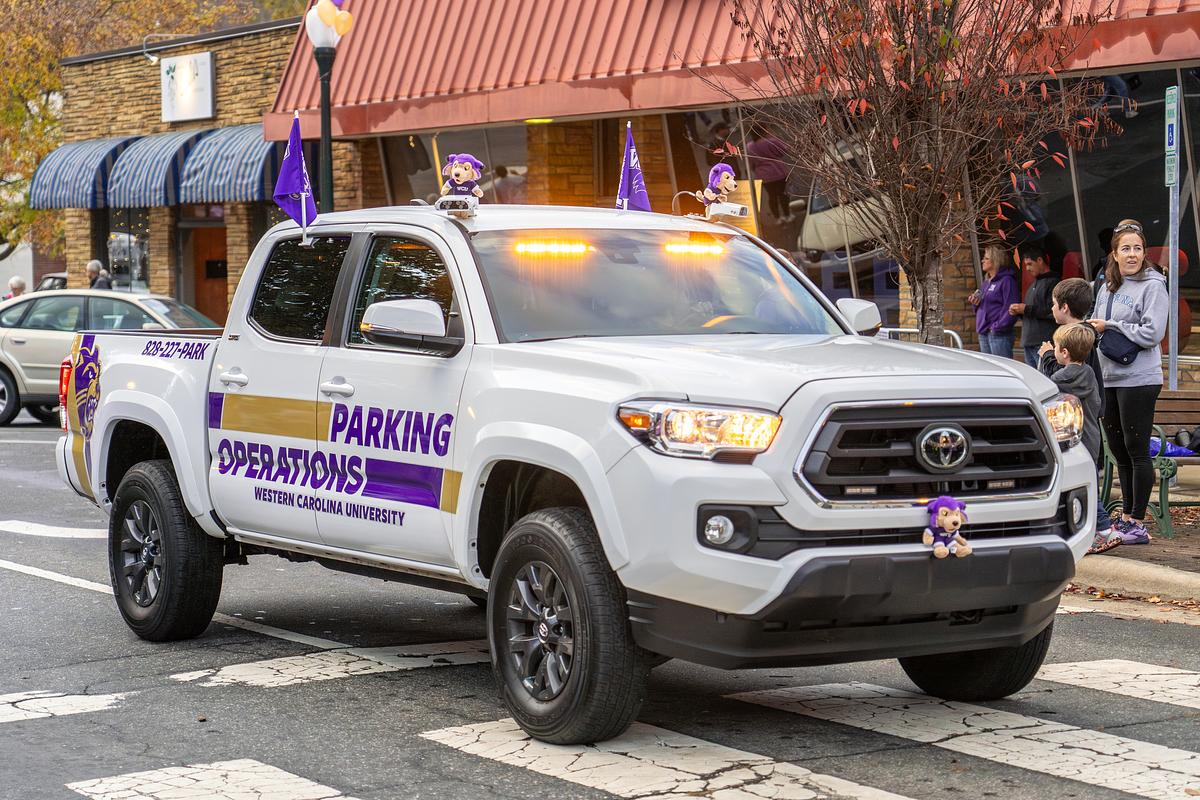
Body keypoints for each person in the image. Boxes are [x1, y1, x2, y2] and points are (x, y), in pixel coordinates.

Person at [1087, 219, 1169, 545]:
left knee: (1137, 449)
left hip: (1140, 378)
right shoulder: (1106, 286)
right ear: (1115, 253)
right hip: (1108, 376)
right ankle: (1124, 519)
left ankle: (1136, 521)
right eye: (1126, 249)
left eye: (1137, 248)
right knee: (1119, 450)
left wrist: (1110, 325)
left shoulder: (1153, 286)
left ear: (1144, 252)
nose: (1132, 254)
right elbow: (1096, 328)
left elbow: (1153, 333)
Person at [1036, 277, 1110, 544]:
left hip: (1079, 431)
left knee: (1081, 479)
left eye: (1054, 304)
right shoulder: (1081, 338)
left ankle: (1102, 528)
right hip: (1075, 429)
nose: (1051, 309)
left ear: (1064, 307)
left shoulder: (1078, 350)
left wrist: (1045, 357)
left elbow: (1054, 381)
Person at [1009, 243, 1058, 367]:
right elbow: (1031, 311)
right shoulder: (1033, 284)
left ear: (1040, 260)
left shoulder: (1054, 283)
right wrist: (1018, 312)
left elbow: (1052, 312)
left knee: (1044, 381)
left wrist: (1025, 309)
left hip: (1043, 343)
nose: (1027, 269)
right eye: (1025, 265)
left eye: (1030, 264)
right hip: (1028, 343)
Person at [969, 245, 1019, 358]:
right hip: (984, 332)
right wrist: (975, 302)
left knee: (1002, 369)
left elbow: (1011, 307)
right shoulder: (986, 282)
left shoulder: (1007, 281)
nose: (982, 261)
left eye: (986, 258)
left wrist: (997, 327)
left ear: (995, 261)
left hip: (998, 334)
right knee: (989, 370)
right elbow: (981, 306)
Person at [746, 126, 792, 222]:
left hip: (763, 175)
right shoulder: (771, 141)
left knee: (772, 196)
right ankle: (787, 215)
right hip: (778, 171)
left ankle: (778, 217)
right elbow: (784, 150)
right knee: (782, 194)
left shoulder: (749, 147)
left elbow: (751, 163)